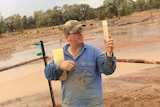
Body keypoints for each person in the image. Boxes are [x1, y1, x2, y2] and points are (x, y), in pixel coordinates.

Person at [44, 20, 116, 107]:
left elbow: (108, 70)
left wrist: (109, 54)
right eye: (76, 32)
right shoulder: (60, 54)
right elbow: (48, 74)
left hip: (93, 104)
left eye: (81, 30)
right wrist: (60, 66)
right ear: (67, 37)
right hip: (70, 104)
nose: (80, 34)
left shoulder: (94, 51)